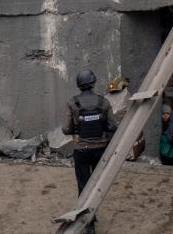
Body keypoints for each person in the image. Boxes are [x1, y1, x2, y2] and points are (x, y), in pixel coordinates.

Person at [62, 70, 116, 234]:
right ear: (93, 83)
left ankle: (89, 223)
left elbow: (65, 129)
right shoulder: (104, 102)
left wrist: (77, 128)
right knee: (97, 185)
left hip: (81, 151)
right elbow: (113, 126)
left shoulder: (72, 103)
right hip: (100, 149)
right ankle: (92, 214)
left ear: (79, 85)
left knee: (83, 186)